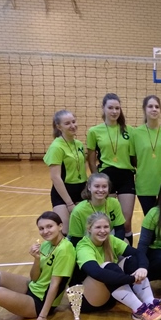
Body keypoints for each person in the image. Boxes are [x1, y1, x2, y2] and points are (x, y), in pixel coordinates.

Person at [76, 212, 161, 320]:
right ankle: (139, 310)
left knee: (132, 261)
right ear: (89, 229)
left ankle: (150, 303)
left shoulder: (110, 240)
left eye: (106, 227)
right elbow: (96, 273)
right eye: (98, 227)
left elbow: (138, 253)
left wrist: (143, 268)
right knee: (109, 267)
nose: (103, 231)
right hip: (88, 300)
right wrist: (130, 279)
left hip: (110, 294)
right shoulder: (84, 246)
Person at [86, 93, 136, 245]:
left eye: (117, 108)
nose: (114, 111)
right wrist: (96, 178)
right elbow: (91, 158)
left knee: (126, 222)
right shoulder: (94, 131)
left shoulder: (129, 131)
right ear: (103, 108)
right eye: (110, 108)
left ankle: (127, 253)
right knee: (109, 221)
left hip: (126, 177)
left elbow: (135, 157)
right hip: (106, 178)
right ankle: (108, 251)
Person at [130, 95, 161, 216]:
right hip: (145, 184)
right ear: (144, 109)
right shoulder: (135, 133)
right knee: (150, 219)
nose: (154, 109)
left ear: (160, 110)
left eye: (157, 107)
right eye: (150, 106)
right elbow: (133, 159)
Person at [44, 110, 87, 236]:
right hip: (63, 192)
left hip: (81, 190)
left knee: (82, 231)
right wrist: (69, 203)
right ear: (59, 127)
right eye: (67, 123)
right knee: (65, 231)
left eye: (74, 122)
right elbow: (55, 177)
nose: (72, 126)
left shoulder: (79, 144)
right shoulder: (56, 147)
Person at [68, 172, 125, 247]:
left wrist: (114, 248)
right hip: (86, 244)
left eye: (104, 186)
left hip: (106, 241)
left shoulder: (114, 203)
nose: (101, 190)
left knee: (126, 243)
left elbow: (120, 229)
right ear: (89, 187)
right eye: (97, 186)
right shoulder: (78, 210)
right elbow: (76, 239)